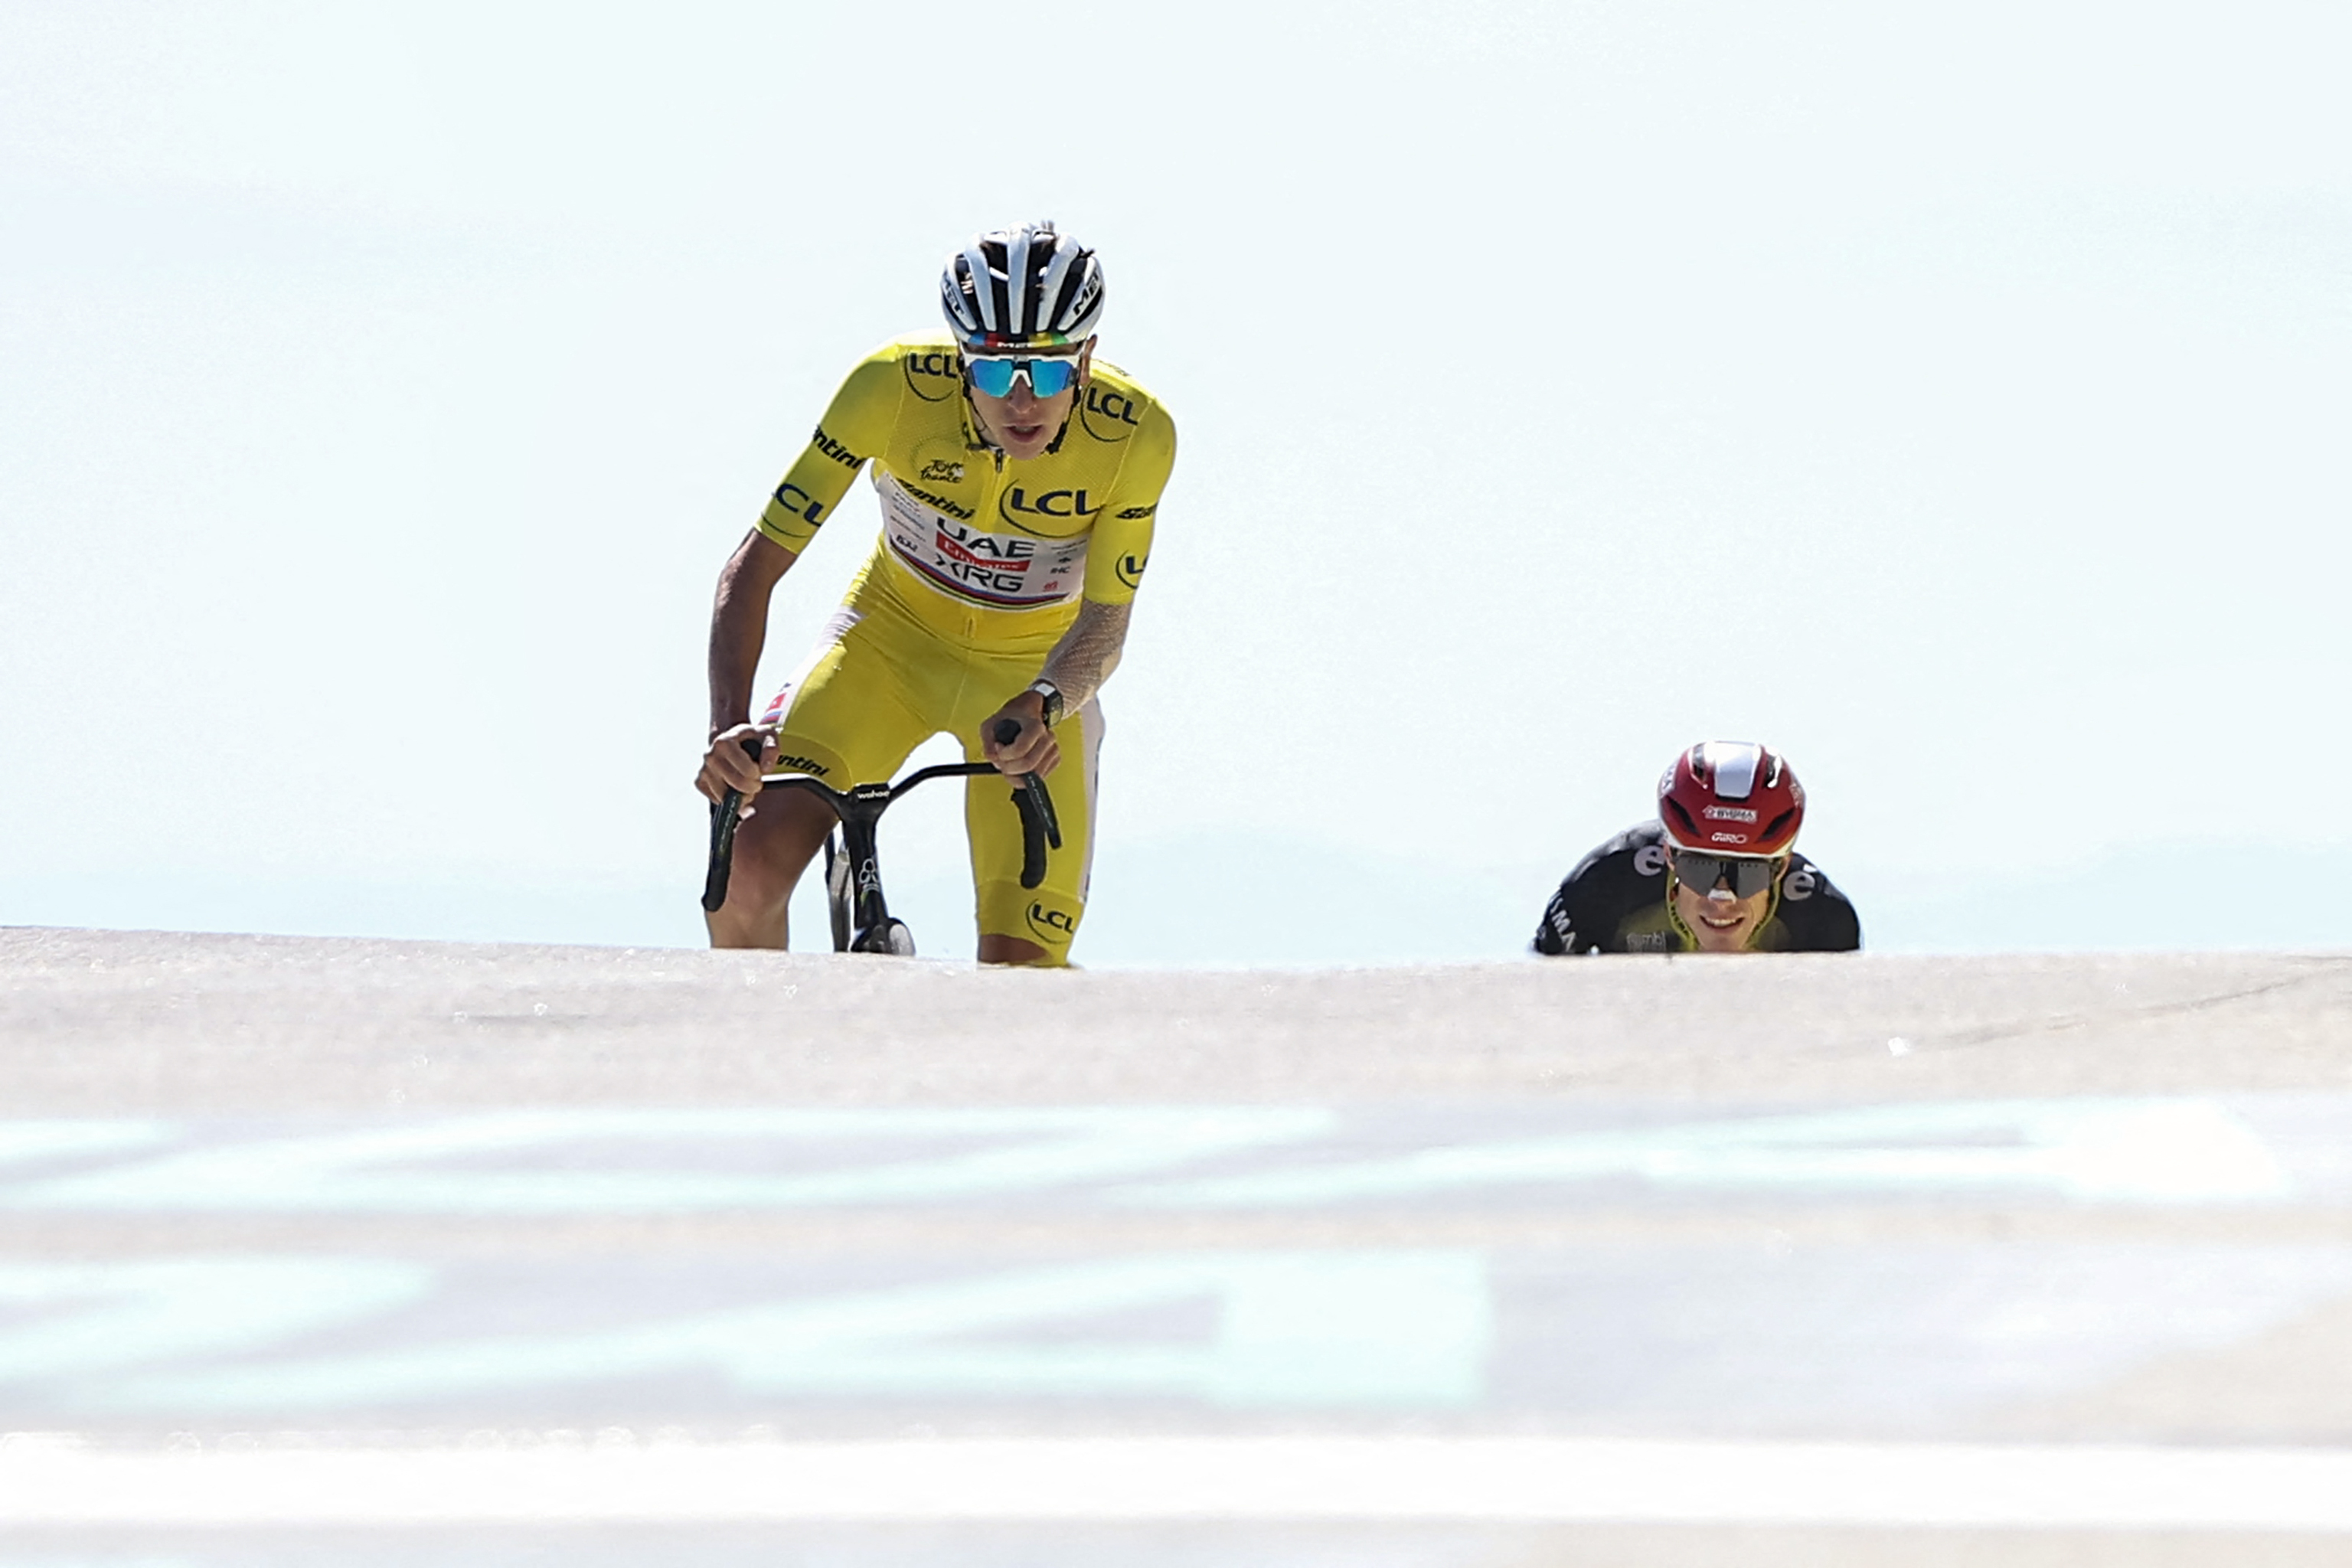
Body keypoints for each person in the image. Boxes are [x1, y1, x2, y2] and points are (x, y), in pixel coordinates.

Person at [695, 220, 1175, 965]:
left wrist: (1046, 701)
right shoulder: (888, 387)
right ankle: (770, 1066)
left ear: (1087, 359)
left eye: (1047, 374)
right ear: (960, 360)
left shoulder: (1136, 435)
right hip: (883, 648)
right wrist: (727, 728)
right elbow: (753, 567)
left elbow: (1107, 620)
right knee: (745, 877)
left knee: (1023, 975)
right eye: (993, 373)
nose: (1022, 402)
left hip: (1029, 682)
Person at [1533, 741, 1860, 955]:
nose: (1722, 898)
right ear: (1669, 855)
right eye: (1700, 868)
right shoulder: (1605, 885)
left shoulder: (1824, 918)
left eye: (1748, 873)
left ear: (1782, 867)